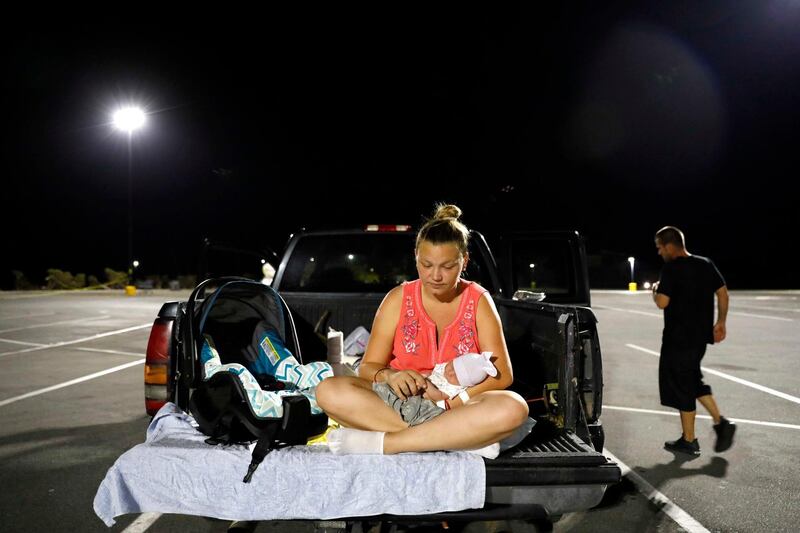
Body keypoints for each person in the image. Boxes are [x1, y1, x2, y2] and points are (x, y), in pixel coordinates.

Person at [315, 203, 529, 458]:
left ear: (464, 261)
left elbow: (503, 375)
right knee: (327, 390)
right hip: (398, 405)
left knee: (514, 407)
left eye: (447, 267)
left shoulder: (479, 300)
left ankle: (388, 444)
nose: (435, 275)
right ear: (415, 256)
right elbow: (368, 367)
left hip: (458, 408)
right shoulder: (397, 299)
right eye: (427, 264)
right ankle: (462, 439)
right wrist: (391, 376)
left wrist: (453, 402)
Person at [652, 226, 736, 455]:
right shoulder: (705, 264)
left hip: (677, 339)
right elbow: (723, 292)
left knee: (683, 385)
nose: (660, 252)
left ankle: (691, 439)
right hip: (699, 338)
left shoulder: (670, 269)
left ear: (670, 246)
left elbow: (662, 303)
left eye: (660, 248)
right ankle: (720, 425)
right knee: (692, 380)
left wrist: (656, 289)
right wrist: (721, 322)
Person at [372, 351, 498, 428]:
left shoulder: (454, 388)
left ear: (463, 383)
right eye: (452, 367)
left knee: (408, 408)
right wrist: (425, 375)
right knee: (385, 390)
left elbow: (439, 395)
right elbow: (433, 373)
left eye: (456, 376)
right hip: (414, 386)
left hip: (423, 401)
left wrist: (426, 383)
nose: (450, 373)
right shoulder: (445, 370)